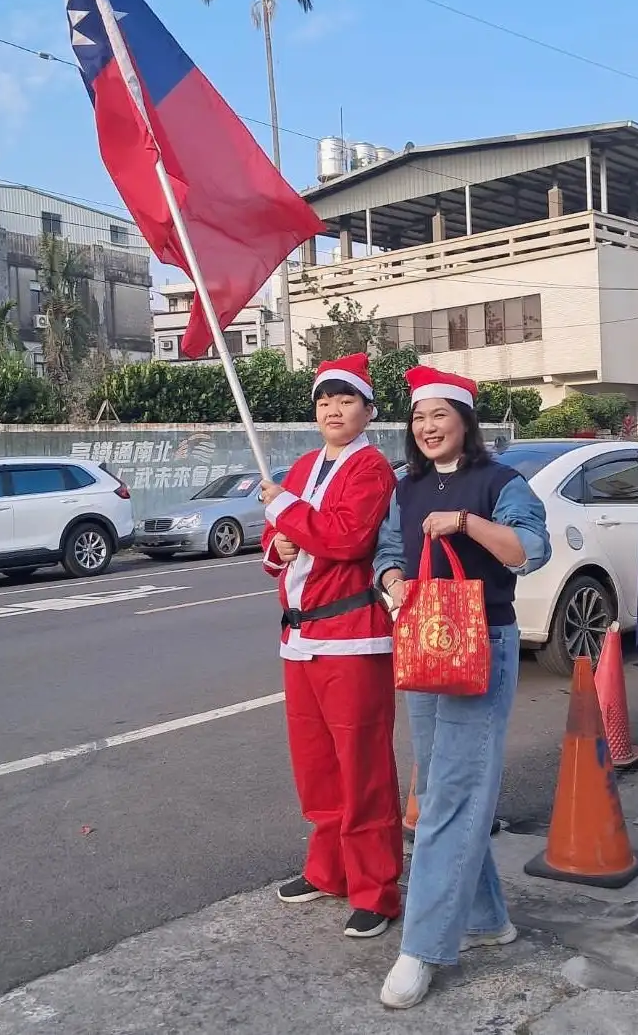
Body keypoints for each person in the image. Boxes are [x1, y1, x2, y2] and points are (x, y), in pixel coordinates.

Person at [373, 364, 551, 1008]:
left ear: (465, 422)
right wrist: (395, 588)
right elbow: (387, 551)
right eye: (418, 418)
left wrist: (466, 524)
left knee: (450, 791)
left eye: (439, 416)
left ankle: (421, 948)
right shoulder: (405, 487)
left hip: (485, 645)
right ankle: (487, 916)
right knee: (443, 782)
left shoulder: (500, 481)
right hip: (424, 641)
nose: (426, 428)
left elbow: (529, 549)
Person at [260, 352, 403, 940]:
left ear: (368, 410)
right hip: (300, 635)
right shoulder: (302, 465)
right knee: (316, 766)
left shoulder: (371, 470)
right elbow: (275, 538)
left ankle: (377, 889)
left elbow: (346, 539)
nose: (332, 410)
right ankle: (329, 870)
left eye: (345, 400)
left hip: (353, 637)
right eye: (324, 400)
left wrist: (287, 514)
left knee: (363, 767)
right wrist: (279, 547)